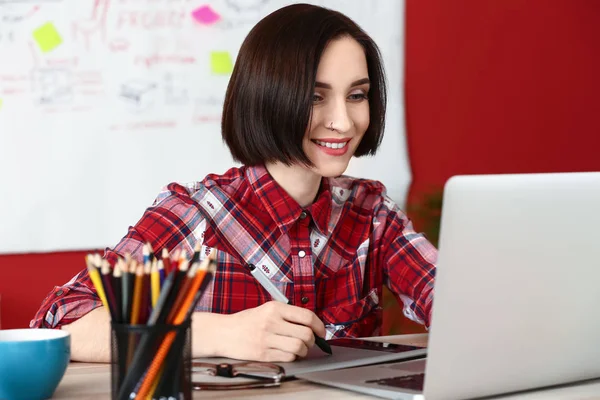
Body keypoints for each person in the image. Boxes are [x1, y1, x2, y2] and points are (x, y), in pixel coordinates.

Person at [31, 3, 437, 363]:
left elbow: (451, 299)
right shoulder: (195, 214)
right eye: (316, 97)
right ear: (267, 96)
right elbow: (59, 320)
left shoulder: (373, 213)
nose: (344, 122)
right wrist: (218, 334)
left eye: (357, 95)